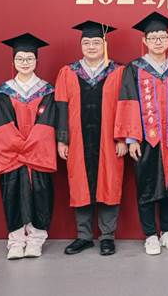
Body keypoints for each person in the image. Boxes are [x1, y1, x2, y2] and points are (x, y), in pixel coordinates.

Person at [115, 12, 168, 255]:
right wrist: (131, 138)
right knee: (147, 185)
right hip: (146, 138)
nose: (158, 42)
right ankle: (150, 235)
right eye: (153, 38)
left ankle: (167, 231)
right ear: (144, 40)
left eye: (162, 37)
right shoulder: (134, 68)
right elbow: (128, 101)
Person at [55, 21, 126, 256]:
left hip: (109, 140)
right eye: (86, 42)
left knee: (109, 183)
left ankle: (107, 237)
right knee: (80, 184)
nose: (91, 46)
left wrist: (122, 139)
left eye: (96, 42)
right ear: (81, 45)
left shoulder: (118, 71)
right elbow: (61, 107)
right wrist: (62, 139)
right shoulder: (68, 72)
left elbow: (125, 107)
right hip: (78, 139)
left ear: (104, 44)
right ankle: (84, 236)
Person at [0, 33, 56, 259]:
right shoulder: (3, 92)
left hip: (37, 154)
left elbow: (47, 123)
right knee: (12, 194)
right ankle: (16, 241)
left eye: (29, 58)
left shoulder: (47, 91)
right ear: (13, 61)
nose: (25, 62)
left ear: (36, 60)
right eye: (20, 58)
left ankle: (36, 240)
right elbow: (0, 124)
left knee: (40, 194)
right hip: (14, 156)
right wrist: (22, 147)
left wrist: (27, 148)